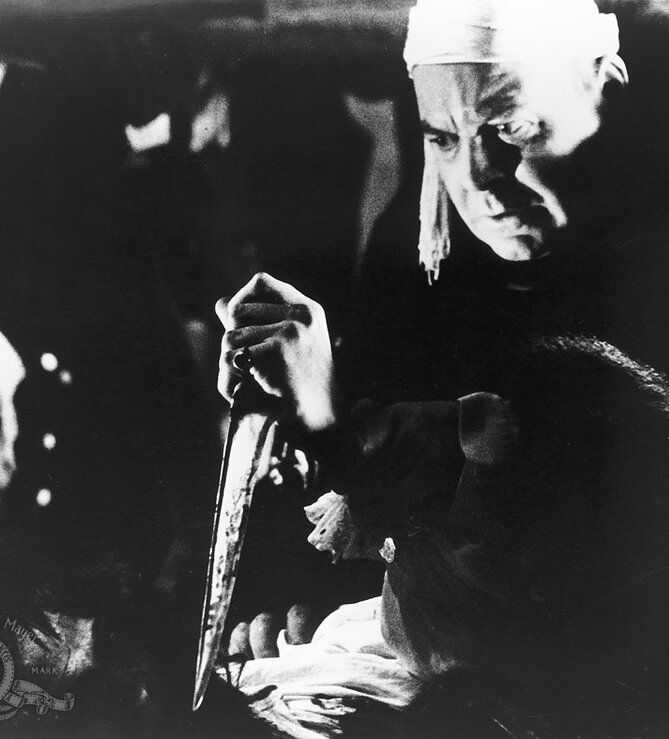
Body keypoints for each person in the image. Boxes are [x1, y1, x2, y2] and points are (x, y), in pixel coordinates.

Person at [214, 1, 669, 736]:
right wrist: (309, 590)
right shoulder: (426, 254)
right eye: (442, 138)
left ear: (607, 89)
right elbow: (384, 510)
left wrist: (336, 417)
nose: (477, 178)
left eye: (513, 128)